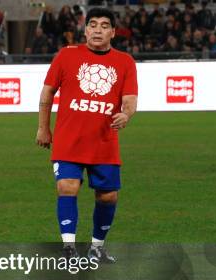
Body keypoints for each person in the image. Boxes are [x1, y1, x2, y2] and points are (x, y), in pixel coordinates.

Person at [35, 8, 138, 262]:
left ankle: (96, 248)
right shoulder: (67, 56)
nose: (98, 30)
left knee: (108, 195)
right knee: (66, 187)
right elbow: (47, 93)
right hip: (69, 139)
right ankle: (68, 249)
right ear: (85, 29)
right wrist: (43, 127)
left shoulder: (125, 61)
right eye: (93, 25)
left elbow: (130, 99)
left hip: (104, 141)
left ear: (113, 32)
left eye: (104, 26)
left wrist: (126, 114)